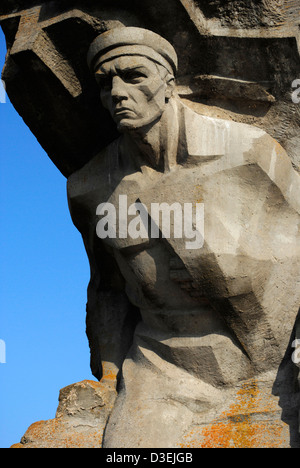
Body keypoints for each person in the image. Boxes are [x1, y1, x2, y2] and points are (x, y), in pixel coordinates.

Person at [67, 27, 300, 447]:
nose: (118, 93)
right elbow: (109, 289)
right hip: (164, 368)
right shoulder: (90, 188)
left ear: (169, 83)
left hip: (273, 358)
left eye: (134, 76)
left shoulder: (249, 151)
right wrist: (109, 376)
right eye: (106, 83)